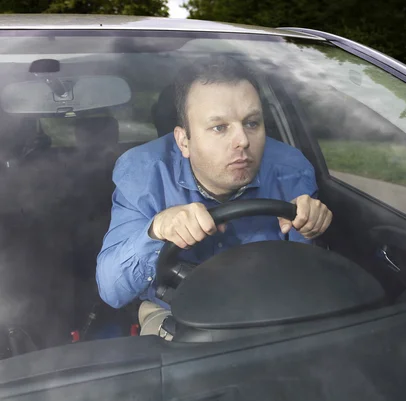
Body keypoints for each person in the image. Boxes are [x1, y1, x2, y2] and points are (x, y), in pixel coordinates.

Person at [96, 56, 332, 335]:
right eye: (219, 127)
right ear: (184, 141)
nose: (243, 140)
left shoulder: (291, 169)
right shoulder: (143, 174)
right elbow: (111, 290)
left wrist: (313, 224)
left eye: (252, 123)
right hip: (173, 311)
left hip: (270, 305)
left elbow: (303, 277)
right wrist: (157, 229)